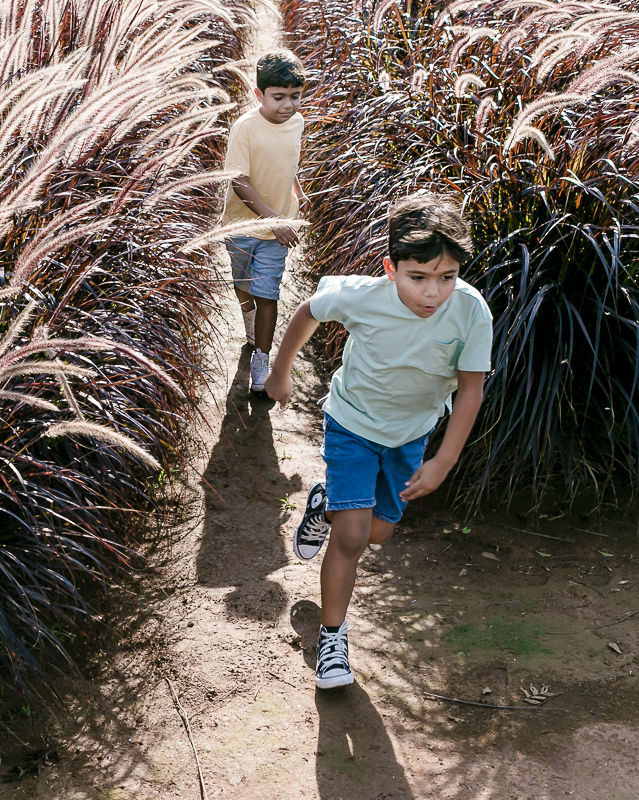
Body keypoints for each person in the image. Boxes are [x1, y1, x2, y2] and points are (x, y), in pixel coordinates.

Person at [264, 194, 493, 689]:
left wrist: (442, 463)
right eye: (419, 277)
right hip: (352, 425)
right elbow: (308, 310)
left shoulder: (471, 311)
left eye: (447, 277)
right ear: (391, 268)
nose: (434, 292)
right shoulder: (362, 295)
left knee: (376, 533)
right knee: (351, 538)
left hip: (411, 436)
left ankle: (326, 506)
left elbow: (471, 390)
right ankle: (332, 639)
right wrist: (279, 373)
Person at [222, 49, 308, 394]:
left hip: (277, 231)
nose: (288, 105)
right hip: (241, 226)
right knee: (243, 283)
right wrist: (274, 221)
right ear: (259, 94)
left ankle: (261, 357)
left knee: (268, 293)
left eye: (295, 96)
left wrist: (298, 192)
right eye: (279, 97)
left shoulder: (298, 122)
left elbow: (289, 162)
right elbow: (238, 181)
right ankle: (249, 321)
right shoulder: (244, 129)